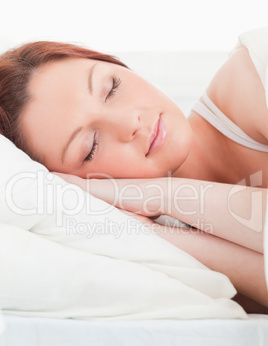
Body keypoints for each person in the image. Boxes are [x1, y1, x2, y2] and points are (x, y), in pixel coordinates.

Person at [0, 30, 267, 312]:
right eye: (91, 146)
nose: (130, 121)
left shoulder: (252, 77)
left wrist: (157, 193)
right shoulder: (156, 260)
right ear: (72, 183)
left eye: (111, 88)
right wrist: (155, 232)